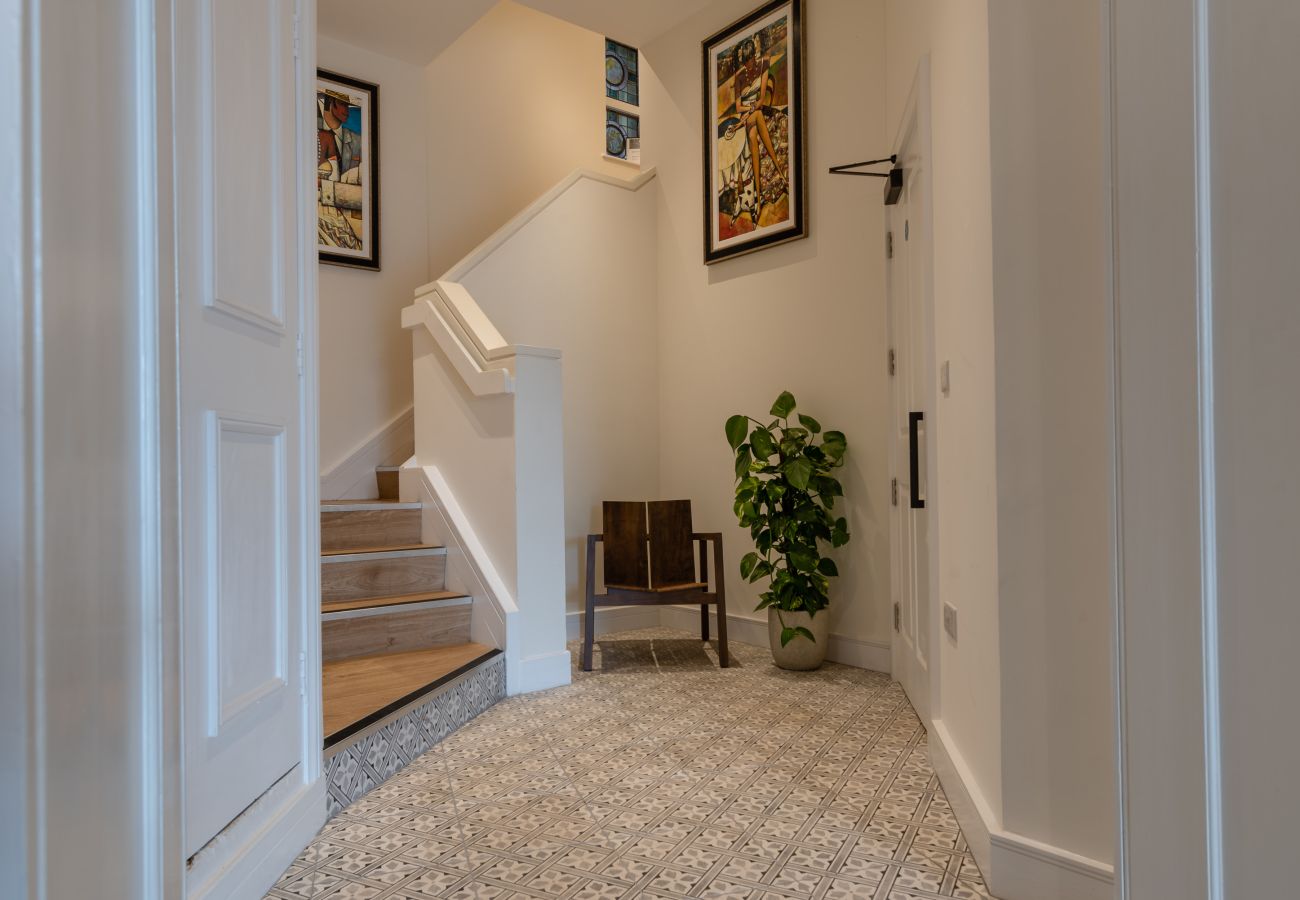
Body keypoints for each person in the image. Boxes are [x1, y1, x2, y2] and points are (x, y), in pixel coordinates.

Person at [723, 36, 785, 209]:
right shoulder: (739, 77)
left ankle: (762, 189)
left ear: (753, 57)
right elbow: (738, 107)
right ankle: (769, 182)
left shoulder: (763, 65)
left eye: (748, 61)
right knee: (754, 124)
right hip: (747, 112)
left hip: (757, 109)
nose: (747, 65)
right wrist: (748, 110)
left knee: (756, 118)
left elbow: (761, 98)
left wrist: (752, 108)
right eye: (744, 62)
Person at [317, 89, 362, 185]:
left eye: (347, 105)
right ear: (330, 102)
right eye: (342, 104)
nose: (347, 110)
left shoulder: (358, 140)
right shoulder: (315, 135)